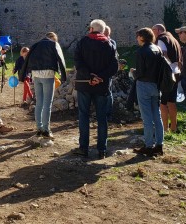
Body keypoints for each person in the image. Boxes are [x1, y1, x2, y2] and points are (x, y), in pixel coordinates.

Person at [73, 19, 118, 159]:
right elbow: (114, 67)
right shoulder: (110, 44)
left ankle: (83, 148)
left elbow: (78, 63)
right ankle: (102, 150)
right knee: (102, 118)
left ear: (91, 29)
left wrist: (90, 76)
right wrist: (100, 77)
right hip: (102, 85)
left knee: (84, 116)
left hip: (84, 84)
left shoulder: (82, 43)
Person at [20, 32, 67, 139]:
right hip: (48, 75)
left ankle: (39, 128)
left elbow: (27, 59)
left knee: (39, 102)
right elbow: (61, 59)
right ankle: (46, 130)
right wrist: (63, 76)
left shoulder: (36, 45)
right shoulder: (54, 44)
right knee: (47, 103)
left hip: (36, 75)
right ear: (53, 38)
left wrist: (23, 75)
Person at [130, 27, 164, 156]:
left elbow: (140, 72)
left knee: (147, 118)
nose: (137, 38)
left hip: (144, 85)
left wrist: (133, 72)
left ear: (142, 37)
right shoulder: (157, 49)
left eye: (138, 36)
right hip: (156, 85)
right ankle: (159, 145)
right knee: (157, 115)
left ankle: (149, 145)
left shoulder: (141, 51)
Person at [152, 24, 182, 133]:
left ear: (159, 30)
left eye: (153, 30)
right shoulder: (173, 39)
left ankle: (164, 129)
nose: (152, 32)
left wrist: (165, 68)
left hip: (166, 75)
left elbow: (163, 55)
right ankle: (173, 127)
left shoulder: (161, 39)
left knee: (163, 102)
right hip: (176, 73)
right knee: (171, 101)